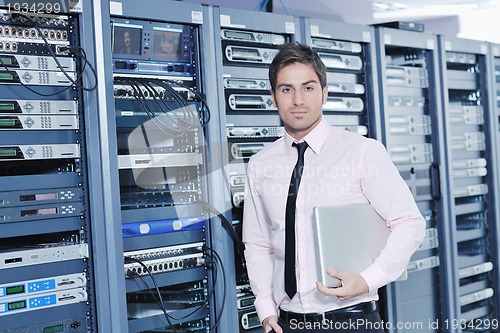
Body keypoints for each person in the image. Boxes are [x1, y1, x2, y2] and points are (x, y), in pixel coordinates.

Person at [242, 42, 426, 333]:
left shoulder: (362, 152)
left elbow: (410, 223)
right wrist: (265, 308)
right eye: (286, 89)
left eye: (308, 88)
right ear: (273, 98)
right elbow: (258, 243)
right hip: (287, 323)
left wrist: (368, 279)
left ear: (325, 93)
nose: (298, 100)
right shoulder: (260, 165)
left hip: (351, 320)